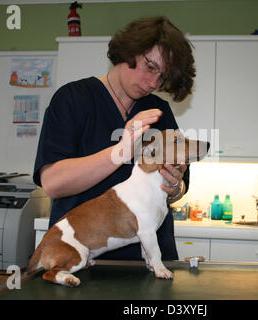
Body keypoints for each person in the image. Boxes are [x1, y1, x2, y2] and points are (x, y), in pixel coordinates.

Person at [33, 16, 196, 261]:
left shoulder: (158, 111)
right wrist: (121, 151)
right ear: (129, 51)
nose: (153, 83)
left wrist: (174, 186)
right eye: (150, 67)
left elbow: (181, 185)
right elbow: (53, 183)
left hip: (149, 259)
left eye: (162, 77)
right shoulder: (72, 100)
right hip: (81, 255)